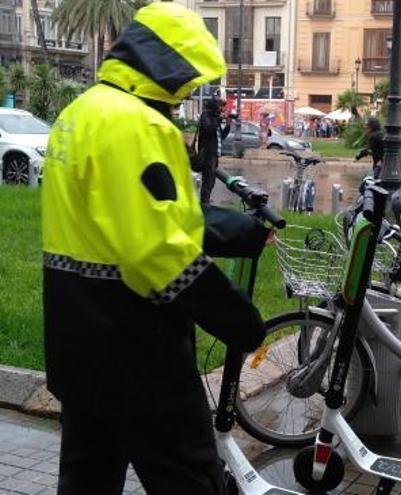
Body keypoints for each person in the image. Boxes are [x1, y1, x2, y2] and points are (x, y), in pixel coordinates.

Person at [41, 3, 266, 493]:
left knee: (87, 476)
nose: (187, 90)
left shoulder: (80, 113)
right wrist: (236, 318)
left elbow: (125, 215)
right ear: (166, 64)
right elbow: (154, 250)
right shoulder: (142, 125)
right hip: (138, 345)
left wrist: (239, 231)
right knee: (188, 475)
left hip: (77, 336)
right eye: (187, 76)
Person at [196, 95, 233, 203]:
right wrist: (219, 119)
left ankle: (206, 201)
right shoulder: (206, 116)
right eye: (220, 106)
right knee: (207, 180)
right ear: (214, 106)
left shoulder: (214, 119)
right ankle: (204, 204)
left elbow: (221, 137)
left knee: (212, 181)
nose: (222, 109)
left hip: (215, 154)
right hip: (207, 154)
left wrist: (228, 125)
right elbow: (208, 129)